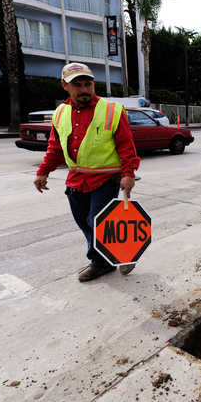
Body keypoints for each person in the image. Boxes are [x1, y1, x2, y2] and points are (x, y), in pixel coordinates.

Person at [33, 63, 141, 282]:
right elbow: (55, 147)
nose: (84, 89)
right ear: (65, 86)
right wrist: (43, 171)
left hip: (106, 179)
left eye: (87, 84)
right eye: (77, 85)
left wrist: (129, 172)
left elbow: (126, 146)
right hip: (76, 180)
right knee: (85, 223)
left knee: (98, 221)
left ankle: (105, 260)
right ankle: (107, 260)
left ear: (94, 84)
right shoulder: (60, 113)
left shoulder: (111, 110)